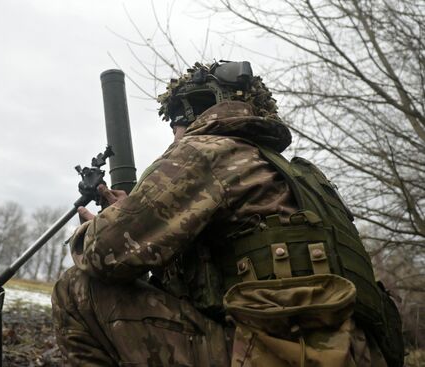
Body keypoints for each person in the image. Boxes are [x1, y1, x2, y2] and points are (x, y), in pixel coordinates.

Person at [51, 61, 403, 366]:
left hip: (273, 356)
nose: (173, 134)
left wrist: (98, 227)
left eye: (174, 120)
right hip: (351, 355)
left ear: (194, 109)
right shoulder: (301, 176)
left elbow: (105, 254)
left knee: (78, 288)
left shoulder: (207, 150)